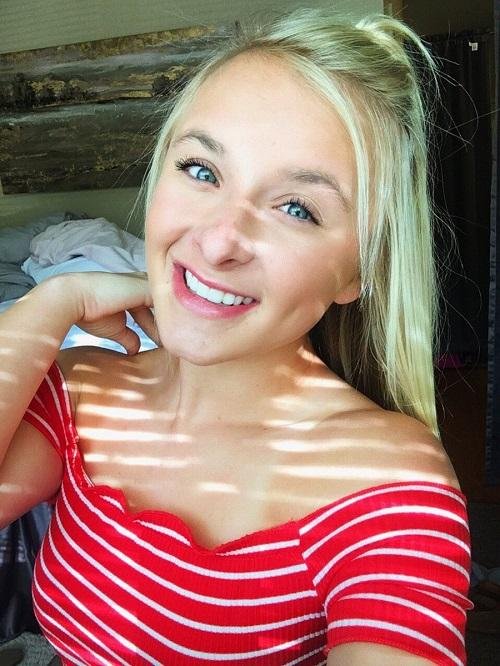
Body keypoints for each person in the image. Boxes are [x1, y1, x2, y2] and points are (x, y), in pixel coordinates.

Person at [0, 7, 472, 665]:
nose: (220, 241)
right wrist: (53, 301)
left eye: (297, 209)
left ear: (358, 271)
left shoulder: (384, 483)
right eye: (201, 170)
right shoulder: (81, 393)